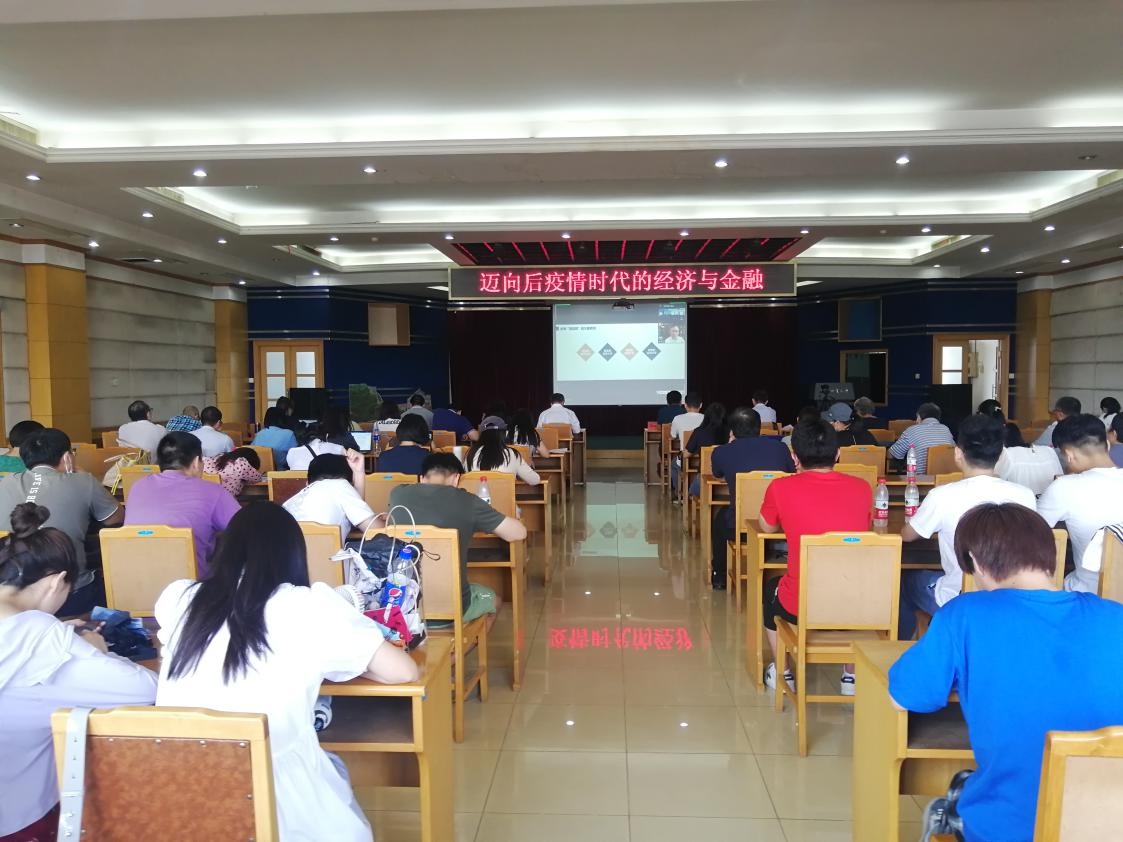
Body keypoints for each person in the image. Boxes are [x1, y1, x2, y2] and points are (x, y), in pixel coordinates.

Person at [155, 502, 419, 842]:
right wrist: (337, 661)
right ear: (293, 554)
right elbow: (403, 671)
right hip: (273, 791)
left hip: (172, 789)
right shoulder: (307, 605)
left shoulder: (181, 598)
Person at [889, 502, 1123, 842]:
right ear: (1049, 555)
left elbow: (904, 697)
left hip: (1006, 828)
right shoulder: (1115, 616)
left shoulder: (965, 614)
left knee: (965, 797)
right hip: (1110, 824)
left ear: (976, 563)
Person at [0, 502, 157, 840]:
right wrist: (95, 651)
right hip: (20, 821)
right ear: (57, 581)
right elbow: (147, 689)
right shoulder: (44, 641)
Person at [898, 413, 1038, 639]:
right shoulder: (1025, 496)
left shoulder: (942, 496)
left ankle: (906, 648)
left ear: (958, 453)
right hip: (1011, 599)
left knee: (906, 582)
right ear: (1001, 454)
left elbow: (908, 535)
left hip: (958, 599)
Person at [759, 419, 872, 694]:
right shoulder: (863, 488)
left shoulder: (780, 487)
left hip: (801, 603)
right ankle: (850, 676)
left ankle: (784, 673)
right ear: (838, 454)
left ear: (794, 457)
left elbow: (767, 527)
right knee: (853, 586)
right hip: (857, 602)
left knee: (770, 589)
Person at [388, 454, 526, 625]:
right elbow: (518, 533)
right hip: (453, 607)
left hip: (399, 606)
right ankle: (462, 643)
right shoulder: (468, 501)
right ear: (456, 478)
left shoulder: (397, 494)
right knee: (495, 600)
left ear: (422, 478)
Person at [0, 428, 123, 616]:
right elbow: (116, 518)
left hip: (11, 597)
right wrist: (84, 476)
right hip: (70, 596)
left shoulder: (5, 483)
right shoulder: (84, 481)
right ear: (67, 457)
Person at [124, 432, 241, 577]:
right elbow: (245, 530)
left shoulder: (137, 487)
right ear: (196, 462)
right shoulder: (212, 491)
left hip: (133, 583)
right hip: (192, 586)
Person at [710, 407, 796, 590]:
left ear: (731, 430)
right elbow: (791, 474)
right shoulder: (780, 449)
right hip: (779, 523)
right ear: (759, 428)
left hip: (738, 526)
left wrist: (730, 445)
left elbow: (718, 475)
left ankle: (720, 576)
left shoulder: (721, 452)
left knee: (719, 519)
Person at [1037, 414, 1123, 591]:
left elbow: (1033, 532)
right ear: (1107, 444)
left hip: (1088, 594)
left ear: (1069, 455)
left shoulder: (1064, 487)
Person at [283, 452, 377, 542]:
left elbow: (356, 521)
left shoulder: (289, 503)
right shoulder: (340, 485)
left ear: (307, 483)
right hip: (323, 553)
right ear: (349, 483)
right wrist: (359, 473)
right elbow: (377, 531)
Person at [996, 417, 1063, 496]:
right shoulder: (1048, 451)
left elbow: (995, 481)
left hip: (1021, 501)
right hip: (1051, 499)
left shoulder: (1008, 454)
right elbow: (1060, 478)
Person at [465, 418, 541, 485]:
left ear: (481, 434)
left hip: (476, 497)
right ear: (504, 434)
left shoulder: (470, 453)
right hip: (505, 497)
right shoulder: (512, 454)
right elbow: (534, 480)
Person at [888, 402, 954, 474]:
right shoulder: (946, 429)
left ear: (919, 417)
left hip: (920, 479)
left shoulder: (912, 430)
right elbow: (954, 451)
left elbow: (892, 454)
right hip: (946, 478)